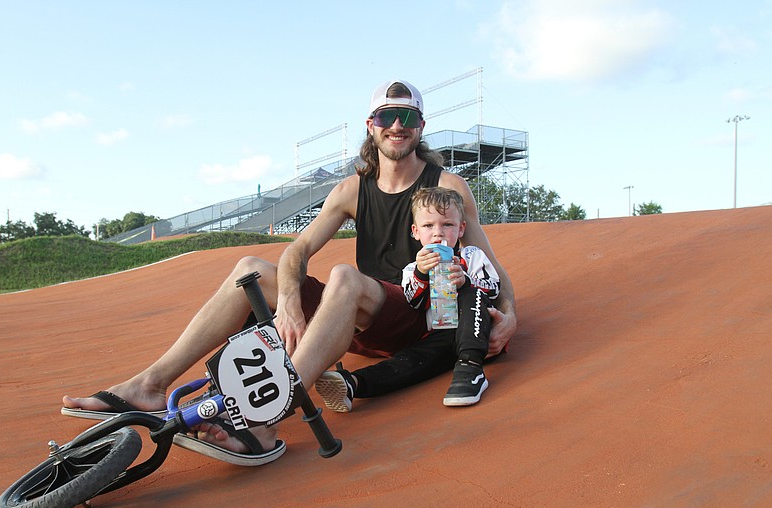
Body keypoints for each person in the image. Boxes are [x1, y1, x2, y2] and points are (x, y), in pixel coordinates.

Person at [62, 79, 517, 464]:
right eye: (386, 117)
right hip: (355, 319)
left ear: (421, 127)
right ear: (371, 126)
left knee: (342, 274)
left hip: (415, 315)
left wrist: (509, 314)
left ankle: (264, 422)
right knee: (249, 269)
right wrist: (289, 304)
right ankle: (149, 386)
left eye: (408, 118)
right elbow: (296, 251)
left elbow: (488, 264)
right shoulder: (349, 191)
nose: (397, 126)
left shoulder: (446, 187)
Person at [315, 186, 500, 410]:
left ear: (461, 229)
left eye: (447, 224)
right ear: (415, 231)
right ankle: (354, 383)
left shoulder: (472, 256)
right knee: (412, 360)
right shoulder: (412, 268)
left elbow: (493, 289)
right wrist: (422, 274)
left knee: (471, 293)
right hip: (443, 336)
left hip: (478, 334)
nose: (438, 233)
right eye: (428, 225)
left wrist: (466, 280)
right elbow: (414, 303)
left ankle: (471, 369)